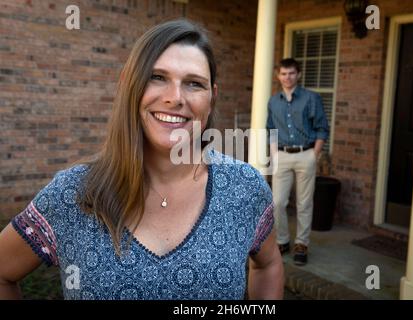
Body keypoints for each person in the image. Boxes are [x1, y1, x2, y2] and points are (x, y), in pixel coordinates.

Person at [0, 19, 283, 300]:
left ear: (211, 98)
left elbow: (268, 263)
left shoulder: (244, 187)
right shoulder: (72, 193)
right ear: (128, 84)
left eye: (194, 84)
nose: (175, 98)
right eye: (157, 77)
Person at [266, 58, 329, 266]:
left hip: (306, 155)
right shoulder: (273, 101)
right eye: (283, 74)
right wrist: (274, 153)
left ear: (298, 74)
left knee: (304, 203)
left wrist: (315, 154)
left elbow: (322, 128)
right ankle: (283, 240)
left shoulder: (311, 98)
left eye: (291, 73)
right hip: (282, 155)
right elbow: (271, 129)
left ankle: (301, 244)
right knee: (277, 203)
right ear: (278, 76)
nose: (287, 77)